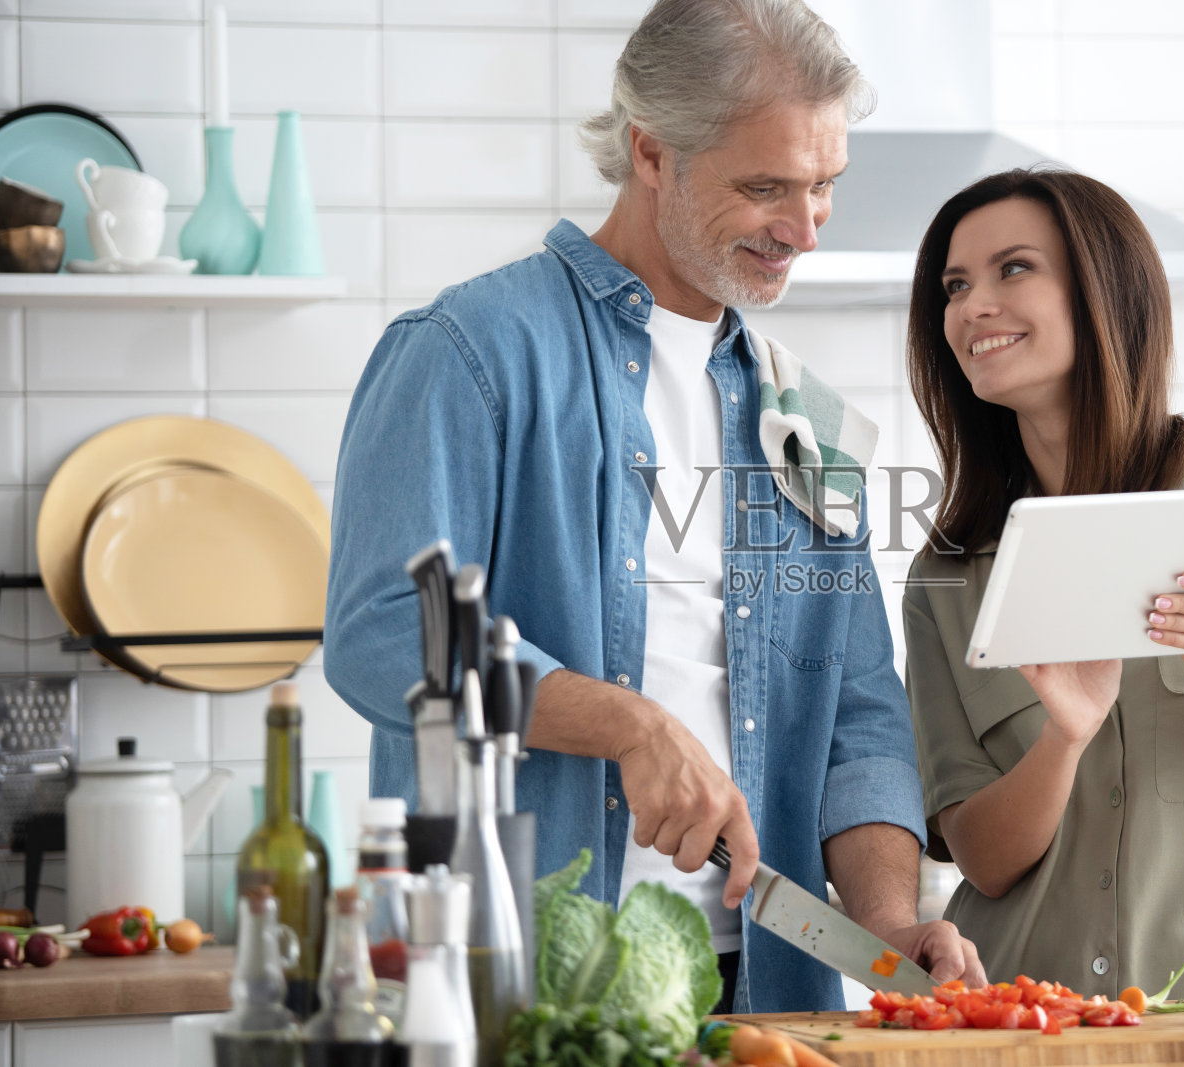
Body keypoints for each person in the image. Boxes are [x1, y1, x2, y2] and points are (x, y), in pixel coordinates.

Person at [324, 0, 982, 1014]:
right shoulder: (467, 351)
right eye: (764, 187)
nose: (802, 229)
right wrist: (624, 723)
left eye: (824, 187)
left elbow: (858, 713)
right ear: (650, 152)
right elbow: (381, 636)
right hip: (529, 978)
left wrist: (889, 921)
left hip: (766, 982)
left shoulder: (809, 414)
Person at [901, 168, 1184, 1007]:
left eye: (1013, 268)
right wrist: (1062, 738)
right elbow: (984, 857)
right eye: (956, 286)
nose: (972, 306)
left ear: (1107, 292)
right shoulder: (951, 573)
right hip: (1031, 1026)